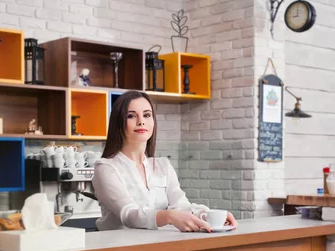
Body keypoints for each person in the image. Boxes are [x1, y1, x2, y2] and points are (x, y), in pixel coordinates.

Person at [92, 91, 238, 232]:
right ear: (118, 123)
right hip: (117, 250)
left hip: (158, 247)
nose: (141, 121)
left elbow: (181, 206)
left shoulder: (163, 166)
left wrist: (207, 215)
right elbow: (129, 215)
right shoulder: (105, 168)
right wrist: (168, 216)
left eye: (147, 115)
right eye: (131, 116)